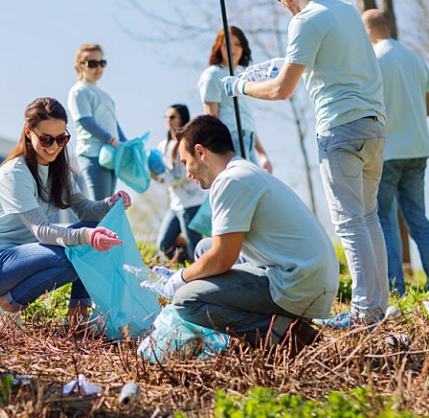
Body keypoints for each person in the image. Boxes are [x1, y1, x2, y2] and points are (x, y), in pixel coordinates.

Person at [223, 0, 387, 329]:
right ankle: (377, 308)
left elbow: (282, 89)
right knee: (369, 217)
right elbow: (335, 61)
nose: (282, 5)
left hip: (340, 129)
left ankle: (363, 314)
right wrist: (286, 61)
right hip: (374, 126)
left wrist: (240, 86)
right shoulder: (345, 10)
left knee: (349, 222)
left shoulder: (305, 20)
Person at [143, 115, 338, 351]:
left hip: (299, 284)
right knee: (203, 248)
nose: (187, 173)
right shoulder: (244, 171)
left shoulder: (230, 181)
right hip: (309, 275)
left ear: (201, 152)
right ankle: (280, 323)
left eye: (185, 162)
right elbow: (216, 251)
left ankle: (285, 333)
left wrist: (181, 278)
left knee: (187, 300)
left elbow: (221, 259)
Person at [0, 97, 130, 325]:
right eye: (46, 139)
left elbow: (85, 211)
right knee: (75, 253)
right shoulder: (15, 173)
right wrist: (86, 238)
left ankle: (78, 316)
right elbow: (42, 231)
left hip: (29, 256)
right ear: (28, 132)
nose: (54, 147)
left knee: (92, 232)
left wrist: (109, 203)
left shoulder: (59, 172)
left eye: (61, 138)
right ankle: (6, 304)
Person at [362, 9, 429, 297]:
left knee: (383, 219)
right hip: (418, 150)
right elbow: (427, 108)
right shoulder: (415, 58)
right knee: (419, 220)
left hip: (387, 152)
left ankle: (396, 288)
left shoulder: (372, 61)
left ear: (369, 30)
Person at [198, 26, 272, 171]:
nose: (233, 49)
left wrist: (261, 152)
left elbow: (246, 119)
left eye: (237, 44)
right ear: (219, 47)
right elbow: (211, 119)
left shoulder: (245, 77)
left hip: (248, 139)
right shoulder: (213, 75)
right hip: (230, 140)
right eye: (227, 44)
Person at [68, 44, 127, 200]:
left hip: (111, 154)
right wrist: (111, 140)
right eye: (92, 63)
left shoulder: (106, 96)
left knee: (108, 206)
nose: (98, 67)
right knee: (101, 206)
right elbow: (85, 122)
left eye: (102, 63)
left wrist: (125, 143)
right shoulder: (79, 91)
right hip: (92, 154)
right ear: (80, 66)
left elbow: (114, 124)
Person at [153, 104, 206, 263]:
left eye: (172, 117)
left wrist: (161, 178)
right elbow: (160, 168)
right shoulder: (163, 146)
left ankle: (201, 273)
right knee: (164, 244)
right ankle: (190, 267)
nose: (168, 120)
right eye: (166, 117)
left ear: (182, 118)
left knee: (195, 246)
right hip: (175, 204)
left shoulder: (188, 143)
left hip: (191, 202)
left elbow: (185, 173)